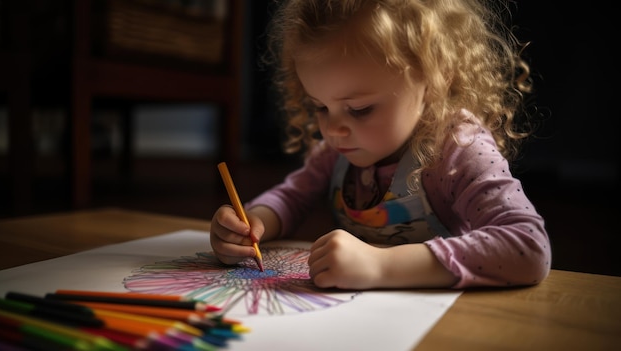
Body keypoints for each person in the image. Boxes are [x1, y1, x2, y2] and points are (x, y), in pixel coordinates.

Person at [210, 0, 551, 290]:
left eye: (360, 109)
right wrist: (252, 224)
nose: (334, 129)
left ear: (434, 78)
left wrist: (381, 266)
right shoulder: (336, 150)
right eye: (320, 106)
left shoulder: (457, 149)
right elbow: (291, 197)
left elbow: (528, 247)